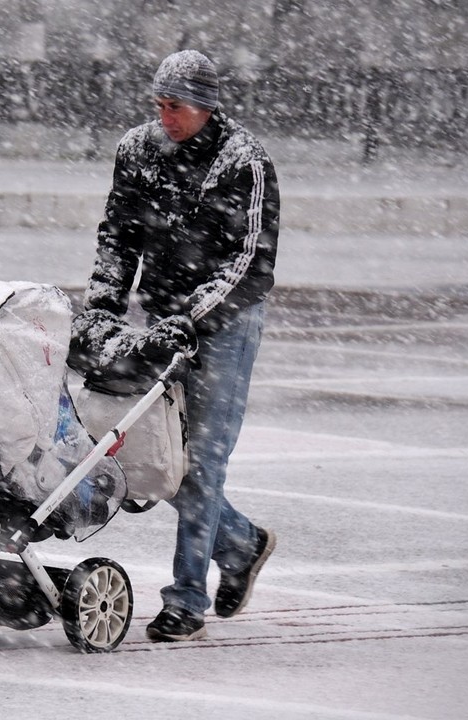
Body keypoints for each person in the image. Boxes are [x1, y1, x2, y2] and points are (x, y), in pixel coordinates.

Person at [82, 49, 280, 641]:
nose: (166, 117)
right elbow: (118, 234)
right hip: (161, 316)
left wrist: (194, 317)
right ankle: (241, 545)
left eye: (177, 106)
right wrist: (102, 309)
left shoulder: (245, 161)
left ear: (206, 105)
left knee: (203, 460)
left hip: (227, 323)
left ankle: (186, 600)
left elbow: (252, 262)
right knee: (155, 454)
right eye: (159, 105)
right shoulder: (137, 150)